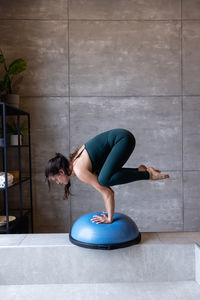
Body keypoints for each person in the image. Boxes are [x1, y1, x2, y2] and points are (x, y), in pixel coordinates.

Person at [45, 128, 169, 224]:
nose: (57, 182)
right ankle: (140, 170)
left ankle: (148, 174)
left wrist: (109, 218)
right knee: (101, 176)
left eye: (55, 179)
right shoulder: (77, 162)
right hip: (122, 137)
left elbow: (107, 192)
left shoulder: (79, 170)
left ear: (61, 172)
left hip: (123, 139)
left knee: (104, 180)